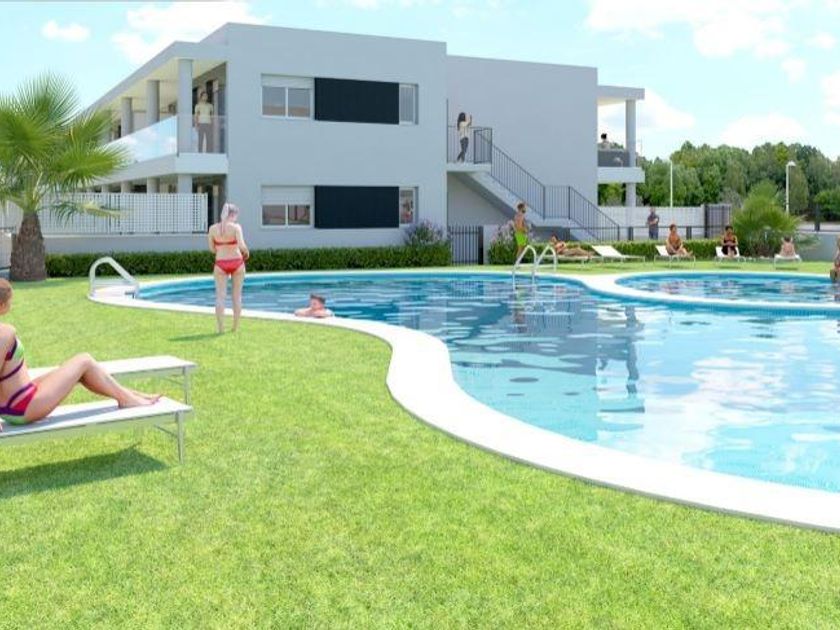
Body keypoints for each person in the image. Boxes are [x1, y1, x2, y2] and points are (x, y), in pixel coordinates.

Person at [0, 280, 160, 431]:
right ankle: (127, 399)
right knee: (84, 361)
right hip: (23, 407)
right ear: (1, 306)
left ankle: (129, 395)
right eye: (10, 302)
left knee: (73, 370)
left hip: (15, 402)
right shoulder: (6, 332)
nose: (11, 305)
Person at [208, 203, 249, 333]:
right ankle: (235, 327)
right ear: (233, 215)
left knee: (220, 296)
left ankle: (221, 328)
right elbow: (242, 246)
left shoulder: (212, 229)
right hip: (237, 262)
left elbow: (212, 249)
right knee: (236, 296)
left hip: (220, 263)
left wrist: (222, 249)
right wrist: (247, 252)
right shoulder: (236, 227)